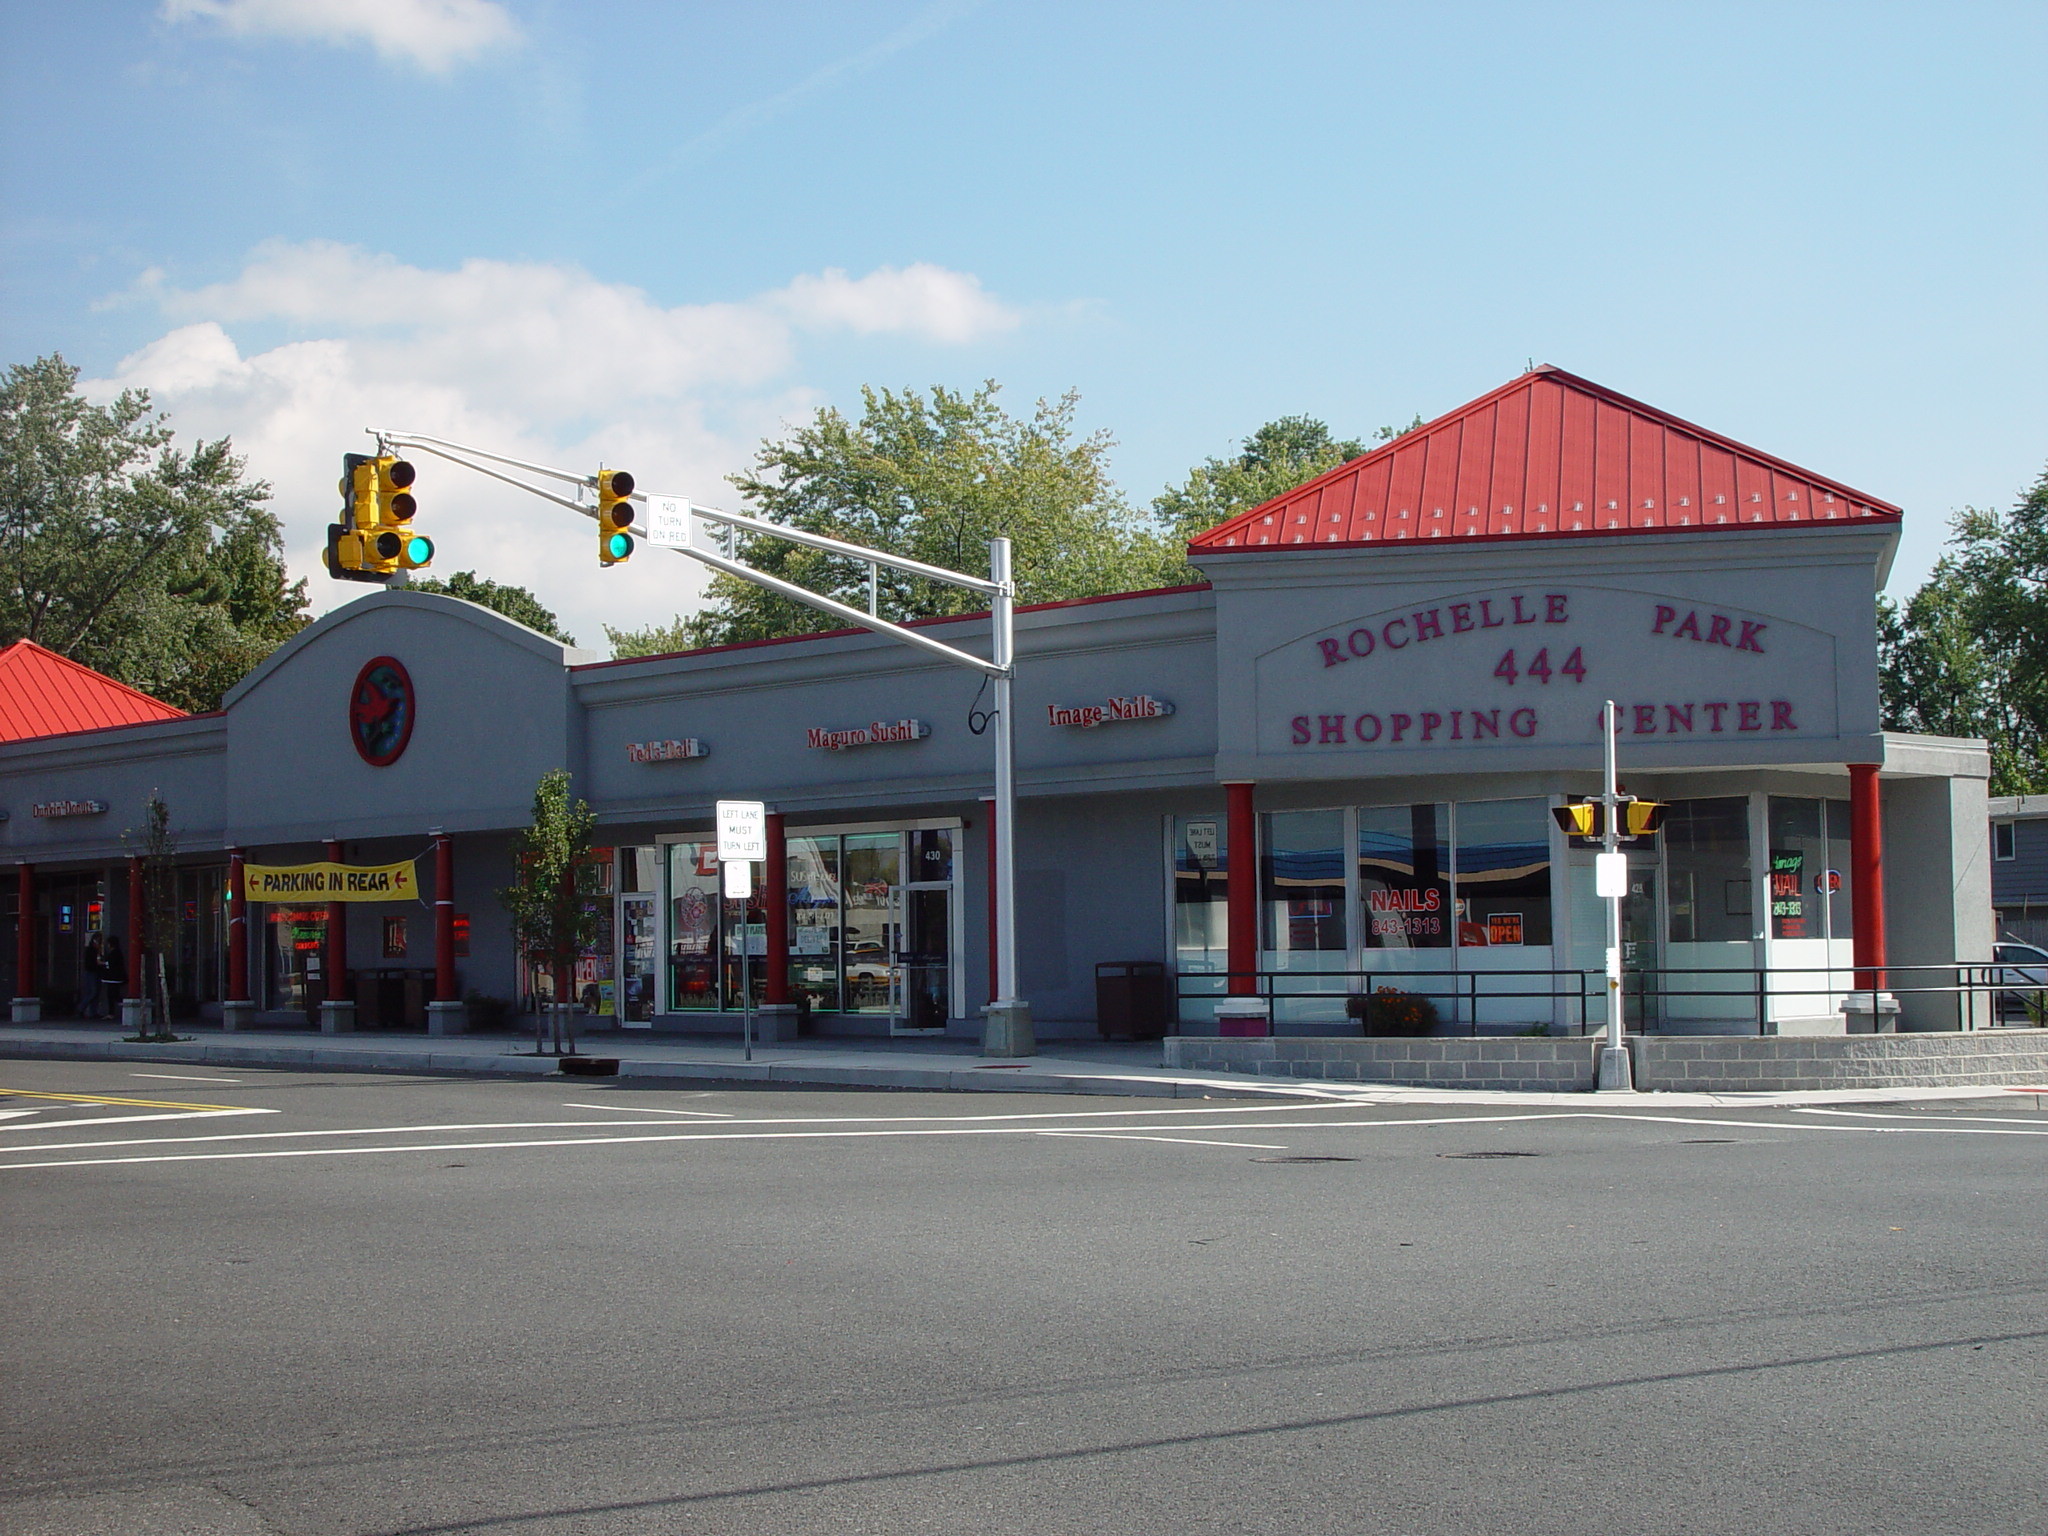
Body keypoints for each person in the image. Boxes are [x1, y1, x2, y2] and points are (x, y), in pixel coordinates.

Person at [78, 935, 105, 1019]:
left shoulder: (98, 950)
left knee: (96, 992)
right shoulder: (90, 950)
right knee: (93, 992)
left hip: (97, 972)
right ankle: (81, 1008)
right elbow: (91, 963)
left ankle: (93, 1011)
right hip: (91, 972)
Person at [100, 935, 126, 1019]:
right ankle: (112, 1012)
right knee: (113, 994)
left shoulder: (115, 953)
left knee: (113, 995)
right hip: (113, 977)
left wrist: (102, 963)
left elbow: (112, 964)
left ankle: (113, 1012)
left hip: (113, 977)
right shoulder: (116, 952)